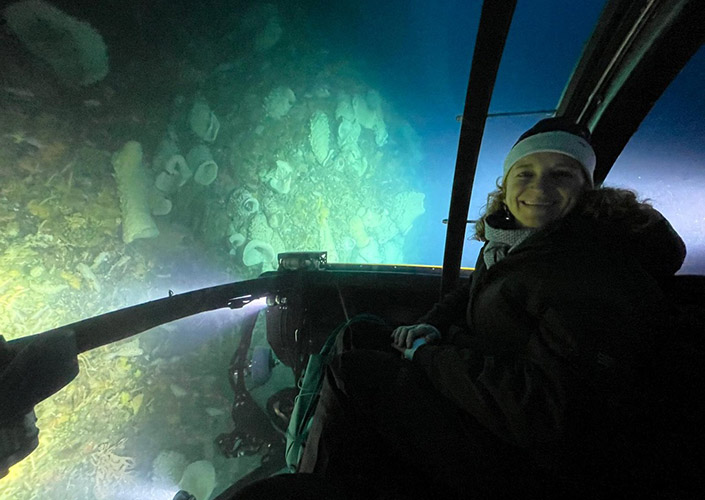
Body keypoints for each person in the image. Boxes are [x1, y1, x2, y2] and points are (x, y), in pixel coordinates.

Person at [238, 117, 687, 499]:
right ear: (507, 184)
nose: (539, 188)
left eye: (561, 175)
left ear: (587, 189)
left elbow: (544, 415)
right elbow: (472, 294)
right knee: (362, 332)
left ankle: (309, 483)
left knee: (354, 373)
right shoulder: (515, 242)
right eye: (524, 173)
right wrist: (428, 326)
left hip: (524, 461)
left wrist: (430, 356)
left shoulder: (588, 271)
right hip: (485, 396)